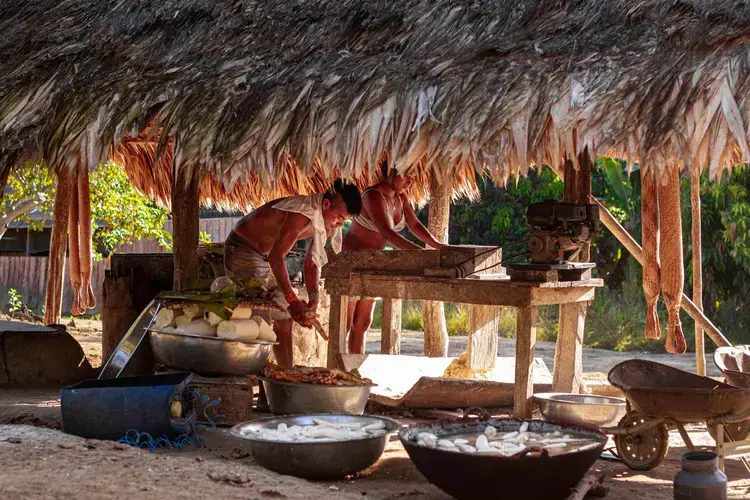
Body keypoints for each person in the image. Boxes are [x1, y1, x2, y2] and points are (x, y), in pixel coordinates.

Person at [224, 179, 362, 367]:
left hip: (265, 257)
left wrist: (313, 299)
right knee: (260, 316)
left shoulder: (327, 224)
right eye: (338, 217)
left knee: (284, 315)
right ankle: (260, 378)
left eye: (344, 221)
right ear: (326, 204)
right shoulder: (301, 213)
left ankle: (285, 374)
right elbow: (276, 257)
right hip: (242, 248)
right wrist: (293, 300)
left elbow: (312, 264)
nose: (339, 224)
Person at [342, 163, 446, 354]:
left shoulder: (401, 198)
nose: (410, 180)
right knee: (345, 325)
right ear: (391, 173)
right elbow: (388, 234)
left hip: (372, 264)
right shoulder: (372, 196)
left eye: (412, 176)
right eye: (407, 175)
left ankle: (354, 372)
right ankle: (338, 372)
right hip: (350, 263)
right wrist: (421, 254)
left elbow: (414, 225)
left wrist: (439, 246)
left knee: (363, 324)